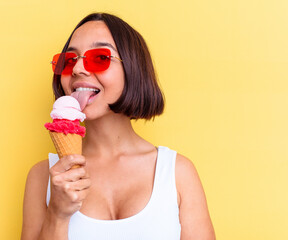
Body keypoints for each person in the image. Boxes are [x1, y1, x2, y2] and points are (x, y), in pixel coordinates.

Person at [21, 12, 215, 240]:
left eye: (100, 58)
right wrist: (57, 214)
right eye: (70, 60)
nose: (77, 69)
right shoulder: (43, 177)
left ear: (133, 69)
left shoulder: (177, 173)